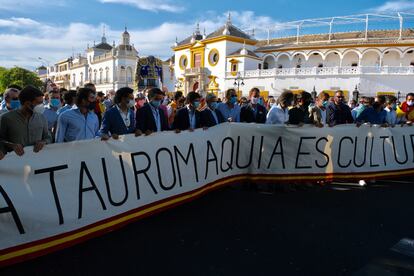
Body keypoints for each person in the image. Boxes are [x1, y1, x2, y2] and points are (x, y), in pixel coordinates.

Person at [0, 85, 51, 160]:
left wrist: (44, 142)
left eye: (42, 102)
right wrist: (11, 145)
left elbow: (48, 137)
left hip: (37, 163)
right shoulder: (6, 118)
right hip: (15, 164)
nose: (41, 106)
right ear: (27, 103)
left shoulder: (41, 118)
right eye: (38, 103)